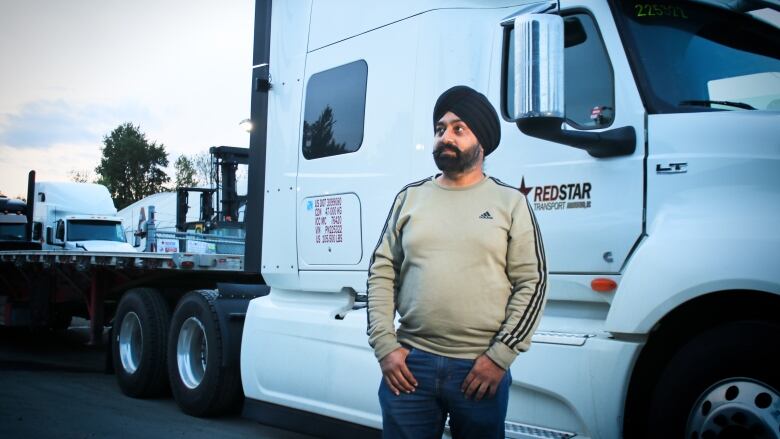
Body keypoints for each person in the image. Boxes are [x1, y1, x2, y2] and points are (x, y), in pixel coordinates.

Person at [367, 85, 548, 439]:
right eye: (440, 129)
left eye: (458, 129)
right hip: (410, 367)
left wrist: (500, 357)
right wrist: (386, 347)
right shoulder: (410, 197)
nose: (444, 137)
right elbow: (381, 272)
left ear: (483, 141)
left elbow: (534, 282)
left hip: (479, 369)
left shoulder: (510, 203)